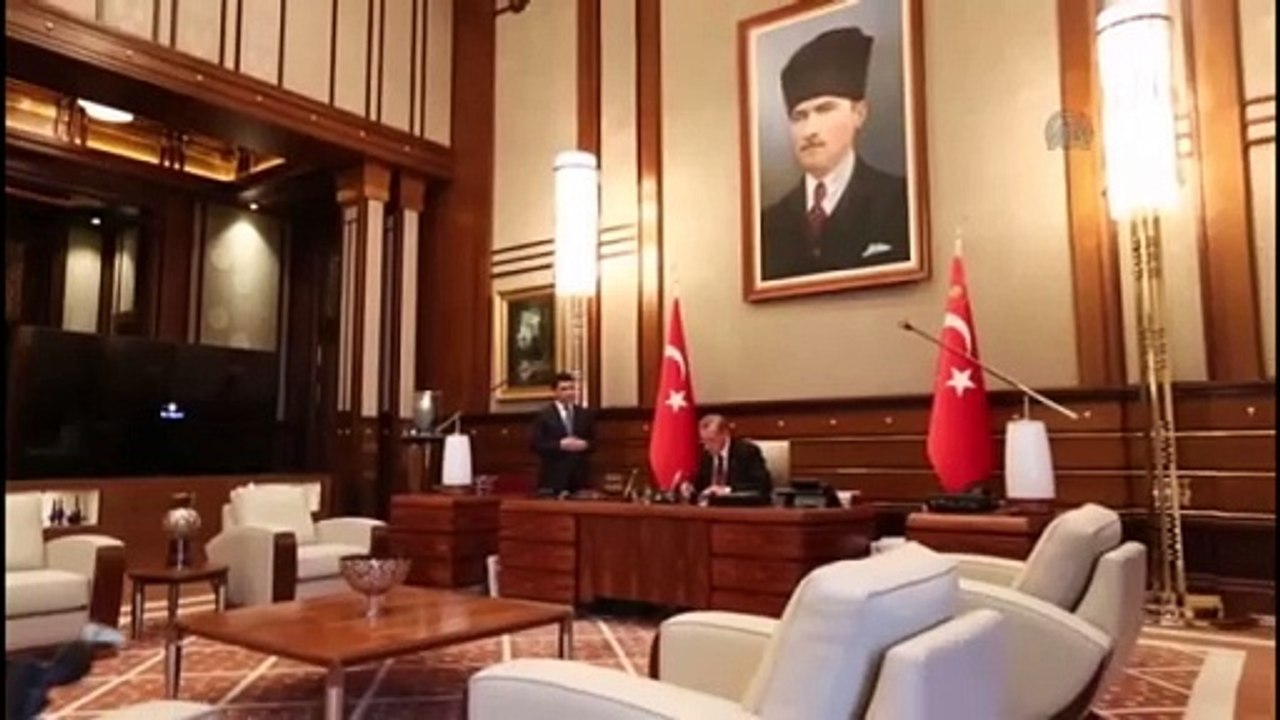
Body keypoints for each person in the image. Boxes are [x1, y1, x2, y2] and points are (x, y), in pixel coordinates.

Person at [760, 26, 910, 282]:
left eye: (825, 109)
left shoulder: (898, 200)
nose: (810, 130)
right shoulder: (768, 222)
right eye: (799, 117)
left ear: (858, 114)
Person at [529, 372, 596, 497]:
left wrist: (585, 445)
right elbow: (535, 444)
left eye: (572, 388)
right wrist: (560, 445)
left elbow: (594, 443)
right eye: (564, 389)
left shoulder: (585, 415)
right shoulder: (543, 416)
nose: (570, 393)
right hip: (553, 479)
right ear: (554, 392)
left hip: (580, 480)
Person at [685, 414, 772, 503]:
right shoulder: (706, 456)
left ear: (725, 434)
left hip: (740, 508)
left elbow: (762, 485)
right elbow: (700, 487)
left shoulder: (746, 451)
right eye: (703, 441)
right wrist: (690, 488)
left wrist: (727, 490)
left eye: (711, 440)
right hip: (712, 509)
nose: (707, 446)